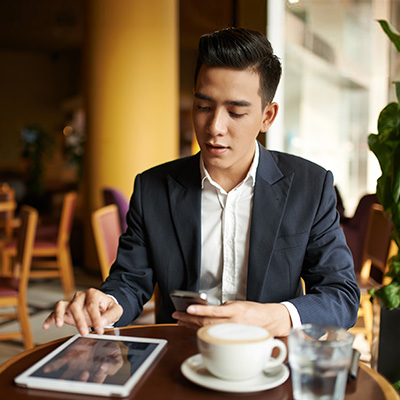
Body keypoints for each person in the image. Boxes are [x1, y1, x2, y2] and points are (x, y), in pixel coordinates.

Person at [43, 27, 360, 338]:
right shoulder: (153, 187)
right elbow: (130, 280)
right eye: (203, 107)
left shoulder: (310, 186)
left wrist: (276, 317)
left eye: (235, 112)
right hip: (180, 356)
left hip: (270, 361)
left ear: (267, 116)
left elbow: (341, 296)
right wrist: (107, 302)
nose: (214, 127)